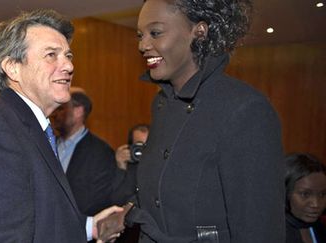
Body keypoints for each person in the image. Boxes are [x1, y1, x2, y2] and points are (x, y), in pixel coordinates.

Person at [0, 9, 122, 243]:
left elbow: (41, 215)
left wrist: (90, 226)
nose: (69, 66)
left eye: (68, 56)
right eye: (51, 55)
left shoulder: (28, 125)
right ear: (12, 68)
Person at [121, 0, 284, 242]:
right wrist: (127, 212)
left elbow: (259, 229)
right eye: (140, 35)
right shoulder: (162, 103)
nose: (143, 45)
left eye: (155, 33)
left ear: (199, 31)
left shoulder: (244, 109)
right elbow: (165, 193)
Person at [51, 89, 117, 217]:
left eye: (60, 109)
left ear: (78, 111)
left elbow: (96, 201)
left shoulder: (100, 152)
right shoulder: (48, 145)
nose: (54, 114)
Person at [285, 153, 326, 243]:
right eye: (305, 194)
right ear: (285, 193)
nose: (316, 204)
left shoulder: (319, 227)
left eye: (322, 194)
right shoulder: (271, 233)